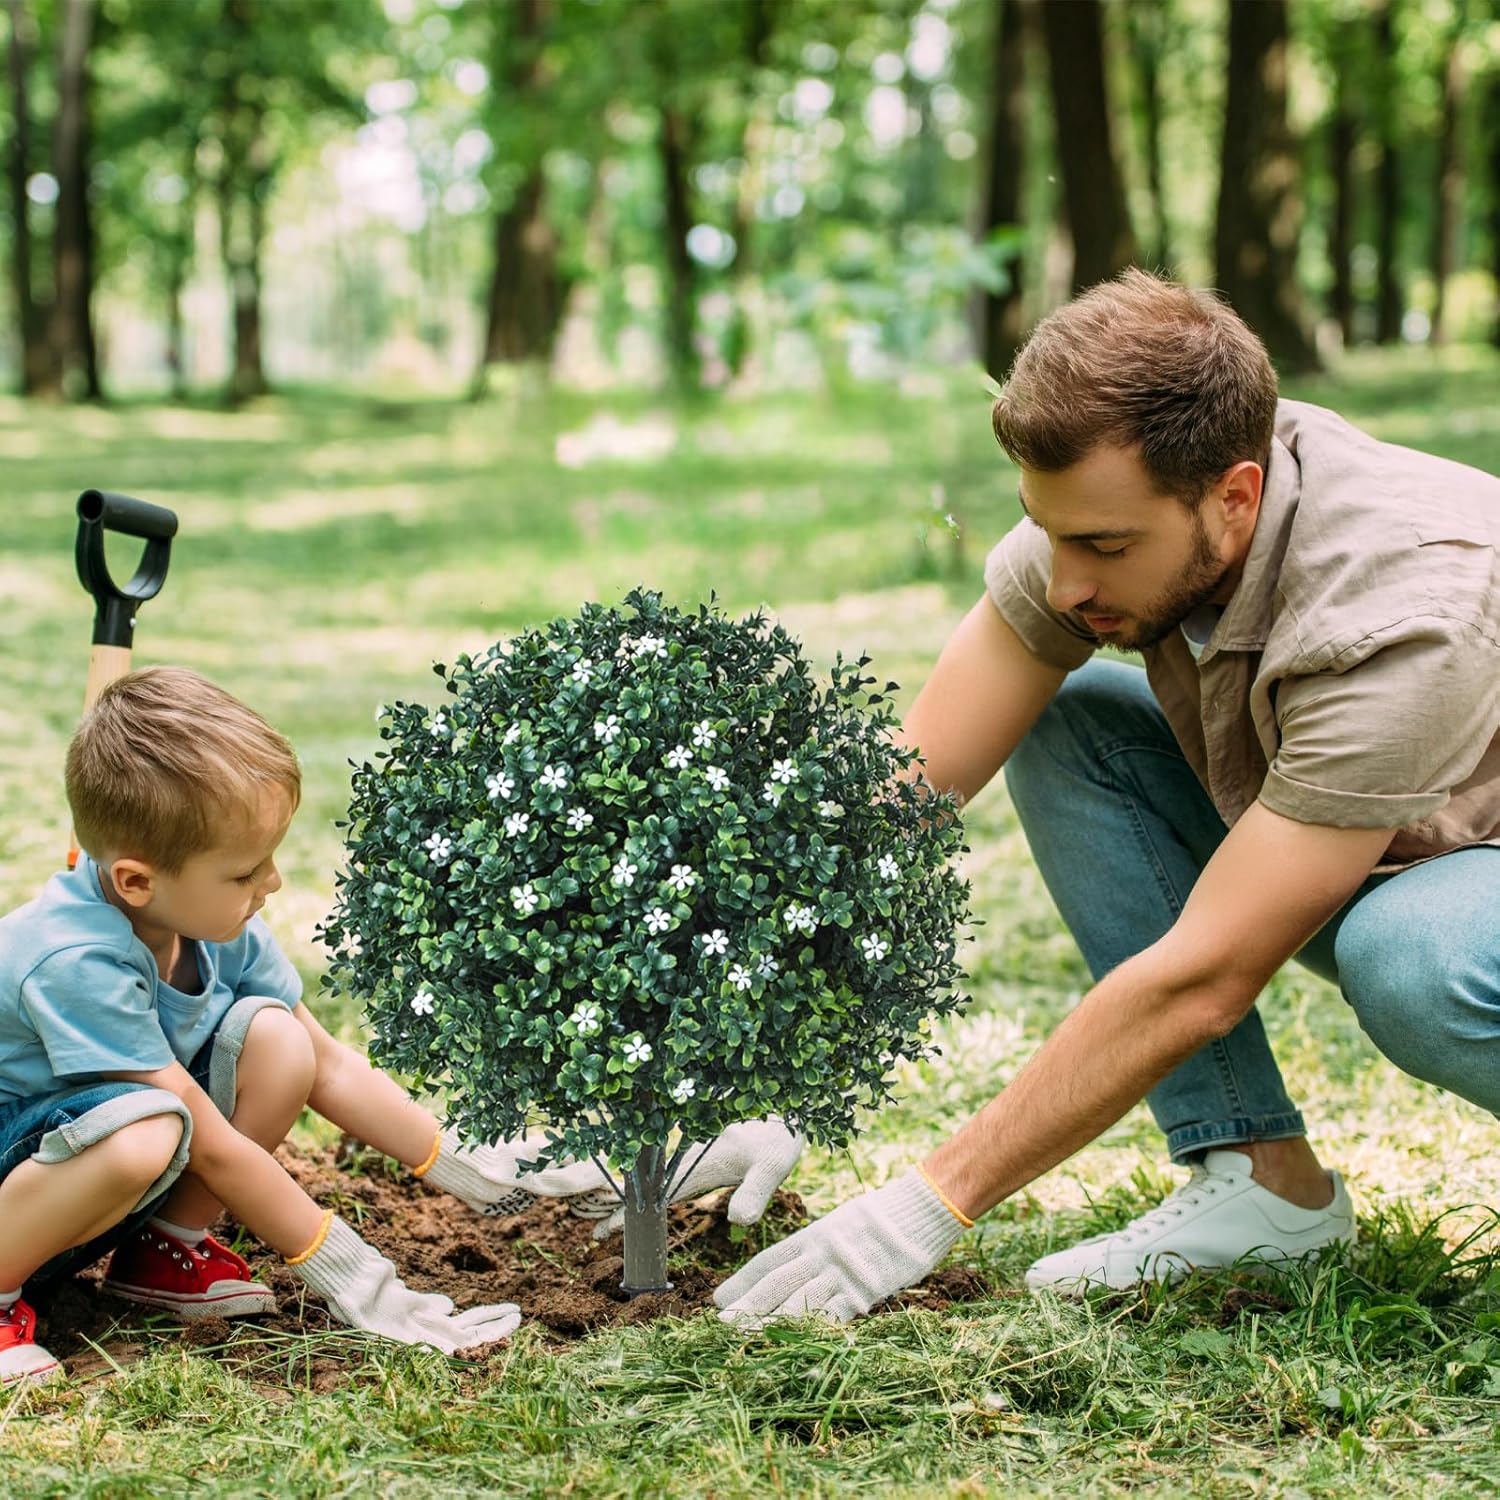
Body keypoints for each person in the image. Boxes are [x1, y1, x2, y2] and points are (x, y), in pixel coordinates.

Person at [714, 269, 1500, 1324]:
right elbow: (885, 812)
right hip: (1395, 836)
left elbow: (1204, 977)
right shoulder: (1113, 517)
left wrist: (926, 1203)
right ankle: (1263, 1189)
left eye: (1105, 547)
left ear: (1235, 497)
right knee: (1070, 712)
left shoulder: (1404, 611)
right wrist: (742, 1061)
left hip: (1461, 889)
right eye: (1050, 531)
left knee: (1415, 957)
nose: (1067, 579)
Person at [0, 667, 797, 1385]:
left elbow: (328, 1064)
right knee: (152, 1128)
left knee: (276, 1039)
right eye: (245, 871)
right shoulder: (74, 960)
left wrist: (478, 1176)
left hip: (81, 1169)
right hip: (27, 1168)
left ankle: (164, 1252)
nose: (273, 882)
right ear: (138, 880)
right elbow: (204, 1139)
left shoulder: (211, 920)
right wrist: (357, 1278)